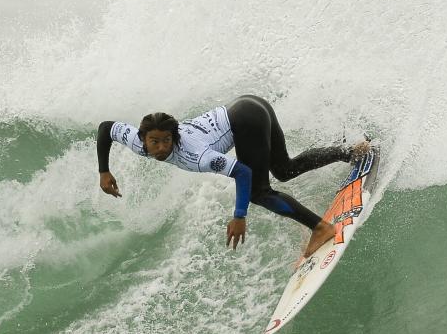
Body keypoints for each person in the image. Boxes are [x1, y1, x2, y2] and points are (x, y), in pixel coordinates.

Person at [97, 94, 369, 257]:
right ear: (142, 139)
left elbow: (242, 171)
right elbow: (106, 127)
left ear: (174, 137)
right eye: (154, 142)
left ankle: (321, 228)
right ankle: (350, 151)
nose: (160, 148)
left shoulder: (195, 155)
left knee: (258, 192)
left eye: (166, 141)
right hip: (249, 104)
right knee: (284, 169)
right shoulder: (135, 139)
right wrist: (104, 170)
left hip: (247, 120)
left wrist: (239, 216)